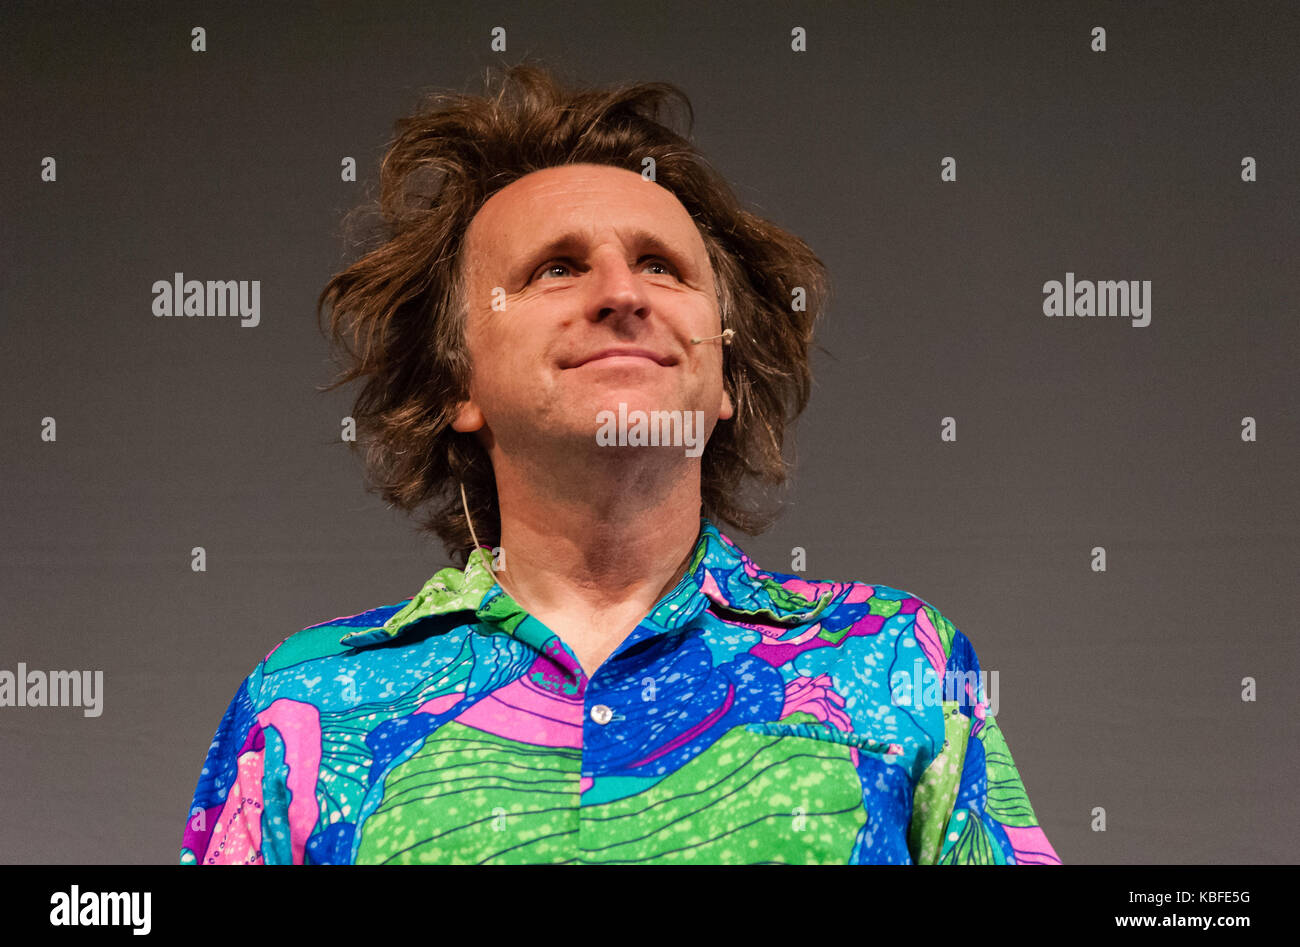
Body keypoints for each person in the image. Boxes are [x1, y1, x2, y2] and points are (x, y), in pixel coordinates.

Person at [179, 63, 1061, 865]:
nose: (622, 293)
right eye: (557, 268)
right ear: (459, 382)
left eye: (661, 266)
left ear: (721, 380)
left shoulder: (897, 661)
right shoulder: (305, 705)